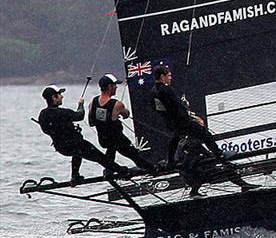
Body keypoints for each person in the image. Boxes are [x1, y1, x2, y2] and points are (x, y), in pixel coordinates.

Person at [150, 65, 256, 194]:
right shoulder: (166, 90)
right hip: (181, 123)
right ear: (162, 76)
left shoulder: (154, 91)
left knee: (176, 138)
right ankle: (219, 153)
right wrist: (190, 116)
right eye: (169, 76)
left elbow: (160, 109)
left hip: (172, 123)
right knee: (205, 134)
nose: (171, 78)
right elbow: (177, 108)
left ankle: (172, 163)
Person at [37, 85, 126, 185]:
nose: (62, 97)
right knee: (101, 158)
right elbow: (80, 115)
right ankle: (122, 172)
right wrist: (80, 105)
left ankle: (75, 176)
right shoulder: (62, 112)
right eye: (60, 95)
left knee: (77, 154)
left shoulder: (42, 114)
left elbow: (46, 129)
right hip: (77, 144)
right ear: (54, 97)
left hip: (61, 148)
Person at [88, 74, 156, 174]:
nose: (116, 87)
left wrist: (104, 118)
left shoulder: (93, 102)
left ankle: (109, 170)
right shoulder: (117, 104)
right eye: (115, 85)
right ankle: (153, 170)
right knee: (134, 155)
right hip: (118, 140)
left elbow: (91, 122)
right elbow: (126, 114)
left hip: (103, 139)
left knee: (111, 148)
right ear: (110, 87)